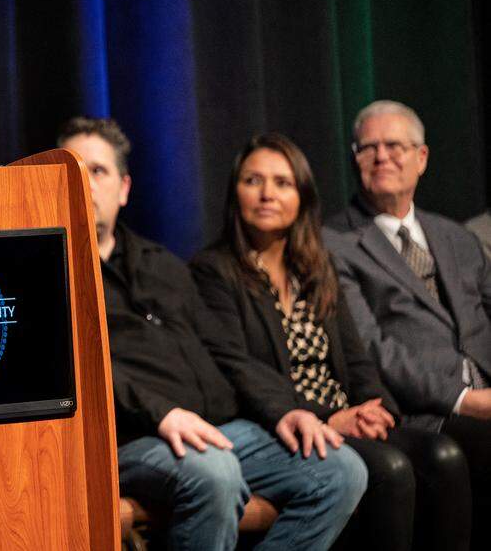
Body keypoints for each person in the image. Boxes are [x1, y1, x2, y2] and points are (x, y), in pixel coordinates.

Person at [58, 117, 366, 551]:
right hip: (129, 439)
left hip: (216, 429)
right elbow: (71, 366)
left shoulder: (161, 264)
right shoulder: (47, 271)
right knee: (216, 475)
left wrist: (285, 411)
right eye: (72, 170)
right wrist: (163, 413)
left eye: (97, 171)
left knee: (340, 472)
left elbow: (225, 352)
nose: (85, 183)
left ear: (124, 188)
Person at [190, 133, 469, 551]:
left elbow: (357, 358)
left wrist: (376, 408)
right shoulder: (214, 271)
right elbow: (238, 369)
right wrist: (328, 417)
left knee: (442, 457)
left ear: (302, 196)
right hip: (287, 422)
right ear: (235, 192)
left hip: (347, 416)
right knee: (390, 469)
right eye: (254, 181)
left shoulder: (316, 266)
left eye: (282, 183)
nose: (268, 194)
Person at [324, 99, 491, 544]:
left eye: (395, 146)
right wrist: (466, 400)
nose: (382, 157)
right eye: (369, 148)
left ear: (422, 158)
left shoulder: (458, 237)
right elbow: (372, 346)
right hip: (422, 411)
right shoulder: (334, 242)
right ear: (354, 159)